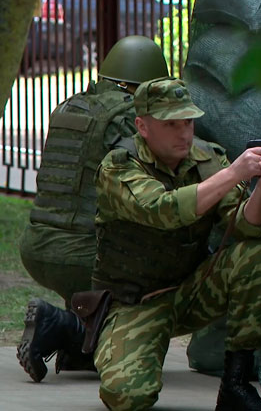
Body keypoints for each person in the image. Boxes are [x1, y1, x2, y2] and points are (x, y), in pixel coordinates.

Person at [24, 76, 261, 411]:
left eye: (188, 122)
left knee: (256, 256)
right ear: (142, 126)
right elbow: (163, 210)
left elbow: (247, 228)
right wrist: (234, 174)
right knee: (128, 397)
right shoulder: (119, 166)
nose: (184, 133)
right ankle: (75, 329)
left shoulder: (207, 160)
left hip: (190, 290)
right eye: (171, 124)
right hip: (135, 302)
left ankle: (235, 385)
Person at [17, 35, 169, 383]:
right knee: (165, 265)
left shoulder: (74, 106)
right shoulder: (130, 118)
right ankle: (59, 324)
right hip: (84, 255)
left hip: (37, 245)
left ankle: (78, 348)